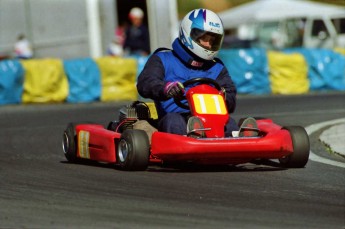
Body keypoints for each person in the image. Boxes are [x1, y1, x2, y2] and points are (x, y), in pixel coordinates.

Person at [137, 8, 257, 137]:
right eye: (204, 38)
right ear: (189, 34)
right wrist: (165, 88)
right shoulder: (163, 59)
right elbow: (145, 83)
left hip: (212, 120)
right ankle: (191, 140)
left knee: (229, 123)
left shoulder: (217, 67)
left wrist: (224, 96)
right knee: (174, 121)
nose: (209, 44)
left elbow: (231, 99)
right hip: (174, 118)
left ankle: (241, 143)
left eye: (213, 40)